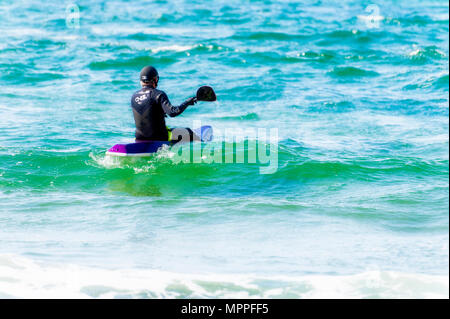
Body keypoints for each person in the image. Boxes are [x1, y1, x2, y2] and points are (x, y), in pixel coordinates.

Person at [131, 66, 199, 143]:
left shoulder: (134, 96)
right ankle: (203, 146)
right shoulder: (158, 94)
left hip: (140, 138)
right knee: (189, 132)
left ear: (141, 81)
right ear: (155, 79)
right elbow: (172, 112)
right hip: (159, 138)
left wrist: (160, 113)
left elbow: (146, 114)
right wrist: (187, 103)